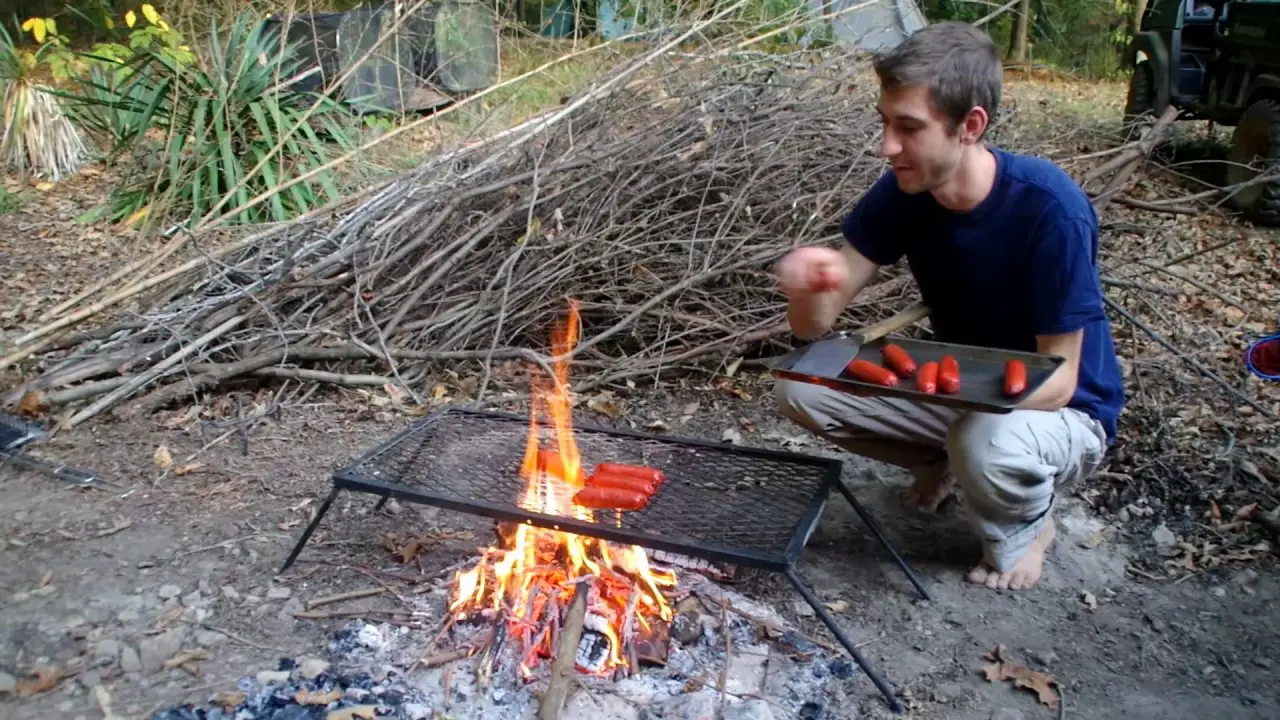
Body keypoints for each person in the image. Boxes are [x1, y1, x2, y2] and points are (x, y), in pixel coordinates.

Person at [772, 21, 1125, 592]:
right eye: (885, 123)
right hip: (966, 392)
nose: (888, 145)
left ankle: (1032, 523)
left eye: (908, 128)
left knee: (983, 442)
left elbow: (1060, 382)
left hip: (1068, 413)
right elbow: (814, 331)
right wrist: (810, 286)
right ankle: (943, 463)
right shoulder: (904, 190)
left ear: (971, 125)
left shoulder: (1051, 208)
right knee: (799, 389)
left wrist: (971, 427)